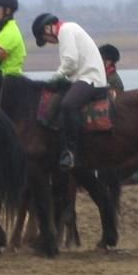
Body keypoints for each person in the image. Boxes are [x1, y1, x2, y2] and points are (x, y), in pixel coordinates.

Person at [32, 13, 107, 170]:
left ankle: (71, 151)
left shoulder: (65, 31)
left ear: (48, 28)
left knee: (68, 105)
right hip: (80, 77)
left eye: (46, 39)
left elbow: (70, 62)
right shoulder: (69, 29)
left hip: (90, 78)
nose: (49, 42)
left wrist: (56, 77)